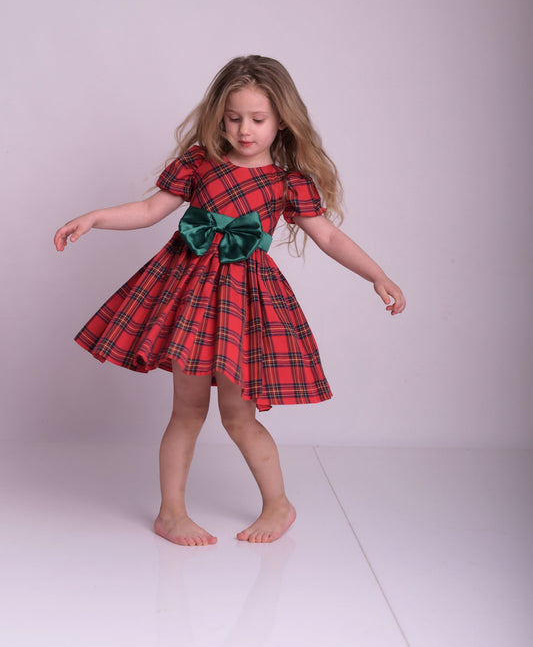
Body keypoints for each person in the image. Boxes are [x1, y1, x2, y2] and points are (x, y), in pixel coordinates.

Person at [54, 55, 405, 547]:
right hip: (190, 299)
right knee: (186, 412)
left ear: (282, 120)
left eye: (258, 120)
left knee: (239, 416)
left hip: (246, 304)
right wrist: (94, 218)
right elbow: (150, 209)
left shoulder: (288, 181)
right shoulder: (200, 163)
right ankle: (171, 513)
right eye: (234, 118)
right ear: (219, 116)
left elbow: (327, 237)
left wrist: (377, 275)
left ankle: (278, 506)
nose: (244, 130)